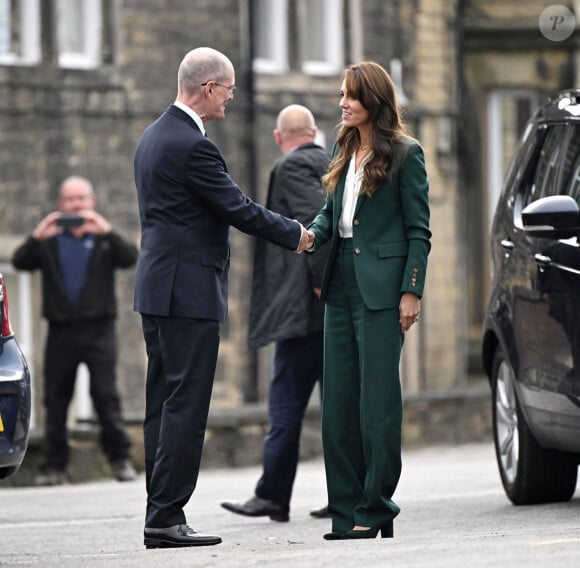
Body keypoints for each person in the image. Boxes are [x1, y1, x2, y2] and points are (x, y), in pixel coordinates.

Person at [133, 47, 313, 550]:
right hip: (188, 292)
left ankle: (159, 512)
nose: (231, 100)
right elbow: (238, 207)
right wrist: (298, 234)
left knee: (162, 406)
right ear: (209, 87)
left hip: (157, 288)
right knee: (186, 406)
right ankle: (167, 516)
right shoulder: (193, 146)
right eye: (229, 90)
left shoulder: (152, 136)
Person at [307, 61, 431, 540]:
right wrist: (310, 236)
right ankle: (345, 513)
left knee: (376, 408)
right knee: (337, 407)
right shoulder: (343, 145)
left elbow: (420, 229)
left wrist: (411, 290)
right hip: (338, 285)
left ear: (373, 101)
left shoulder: (406, 153)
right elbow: (331, 212)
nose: (342, 102)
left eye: (351, 96)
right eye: (341, 94)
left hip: (382, 292)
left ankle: (375, 509)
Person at [220, 104, 330, 523]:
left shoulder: (291, 167)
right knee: (336, 406)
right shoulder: (330, 162)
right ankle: (347, 495)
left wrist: (321, 281)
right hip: (319, 312)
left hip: (303, 311)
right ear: (314, 132)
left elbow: (316, 223)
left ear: (279, 137)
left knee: (284, 407)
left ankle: (272, 496)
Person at [11, 175, 138, 486]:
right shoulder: (49, 240)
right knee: (55, 400)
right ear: (60, 205)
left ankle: (120, 459)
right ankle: (54, 467)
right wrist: (37, 235)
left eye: (80, 199)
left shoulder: (105, 240)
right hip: (60, 331)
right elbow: (19, 261)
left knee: (105, 395)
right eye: (69, 200)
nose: (75, 206)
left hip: (99, 330)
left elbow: (131, 257)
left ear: (91, 202)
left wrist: (106, 229)